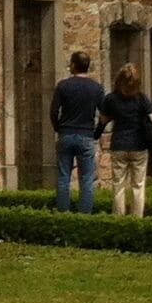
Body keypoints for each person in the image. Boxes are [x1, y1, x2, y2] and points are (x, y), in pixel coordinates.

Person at [100, 63, 152, 218]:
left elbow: (103, 120)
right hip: (139, 145)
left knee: (118, 184)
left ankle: (118, 217)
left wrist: (96, 133)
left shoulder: (111, 99)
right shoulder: (141, 98)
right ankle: (136, 218)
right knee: (138, 185)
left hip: (119, 145)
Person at [51, 51, 106, 214]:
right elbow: (104, 115)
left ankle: (63, 213)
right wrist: (97, 132)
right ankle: (84, 216)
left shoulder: (63, 86)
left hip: (66, 133)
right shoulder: (96, 88)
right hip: (86, 135)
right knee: (87, 179)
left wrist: (58, 127)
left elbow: (53, 111)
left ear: (74, 65)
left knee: (63, 176)